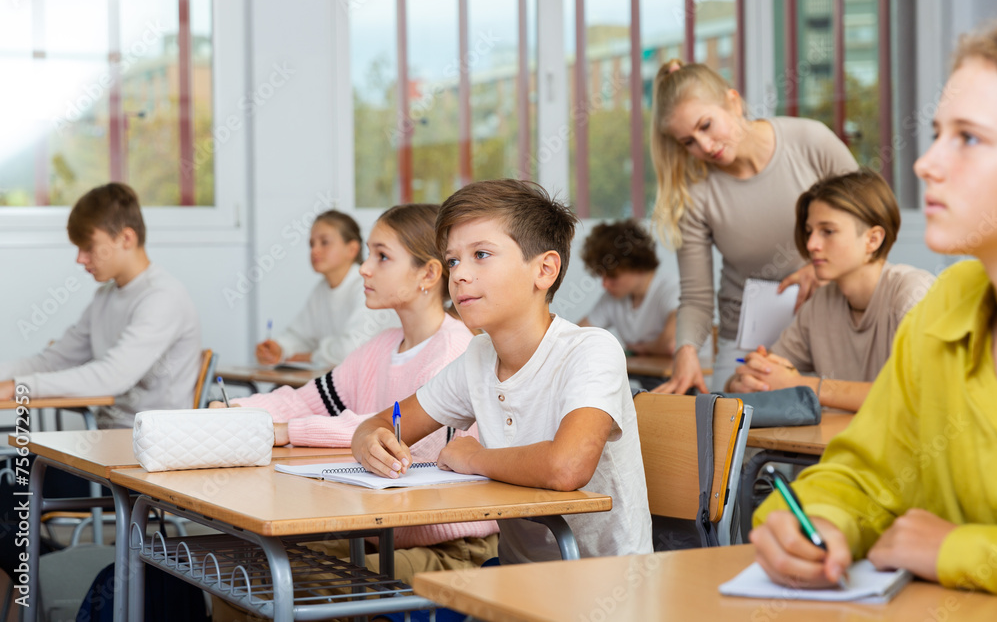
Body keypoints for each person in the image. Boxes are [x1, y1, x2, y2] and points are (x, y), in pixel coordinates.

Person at [751, 20, 997, 594]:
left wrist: (956, 550)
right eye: (937, 132)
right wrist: (816, 519)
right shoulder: (947, 309)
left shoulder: (917, 297)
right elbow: (870, 473)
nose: (926, 163)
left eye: (968, 137)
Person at [353, 179, 652, 564]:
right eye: (453, 260)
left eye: (481, 254)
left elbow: (567, 467)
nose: (458, 275)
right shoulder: (478, 356)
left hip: (604, 583)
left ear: (544, 270)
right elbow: (382, 422)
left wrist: (473, 458)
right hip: (515, 577)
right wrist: (368, 441)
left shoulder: (591, 350)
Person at [210, 204, 497, 602]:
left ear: (428, 274)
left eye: (381, 256)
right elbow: (306, 399)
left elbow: (405, 443)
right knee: (245, 568)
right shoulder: (379, 347)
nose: (364, 269)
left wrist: (284, 432)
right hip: (380, 534)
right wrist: (233, 414)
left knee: (281, 580)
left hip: (450, 547)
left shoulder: (453, 350)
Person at [650, 61, 859, 393]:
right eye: (688, 141)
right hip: (748, 342)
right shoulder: (693, 193)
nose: (704, 147)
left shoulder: (810, 141)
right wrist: (685, 351)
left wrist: (818, 269)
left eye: (706, 125)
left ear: (733, 101)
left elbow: (873, 221)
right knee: (728, 435)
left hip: (828, 322)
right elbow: (696, 296)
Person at [726, 171, 934, 411]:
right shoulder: (820, 304)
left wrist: (798, 383)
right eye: (809, 231)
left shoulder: (913, 293)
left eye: (828, 231)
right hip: (833, 445)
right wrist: (744, 380)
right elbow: (769, 372)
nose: (811, 244)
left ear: (872, 240)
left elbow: (917, 392)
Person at [0, 184, 201, 428]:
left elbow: (113, 376)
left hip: (153, 444)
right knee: (22, 461)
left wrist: (20, 387)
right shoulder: (104, 296)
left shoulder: (163, 297)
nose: (80, 259)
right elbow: (53, 361)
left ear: (126, 238)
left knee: (22, 462)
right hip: (106, 435)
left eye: (88, 247)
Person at [255, 209, 397, 368]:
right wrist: (279, 348)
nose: (315, 250)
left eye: (324, 242)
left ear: (352, 249)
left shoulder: (367, 288)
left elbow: (351, 350)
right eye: (311, 244)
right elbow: (301, 335)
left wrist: (309, 356)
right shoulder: (321, 290)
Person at [579, 219, 679, 356]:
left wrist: (642, 348)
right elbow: (576, 337)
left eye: (613, 276)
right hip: (645, 375)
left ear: (639, 268)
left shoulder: (672, 289)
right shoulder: (612, 298)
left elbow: (671, 343)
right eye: (601, 275)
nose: (604, 284)